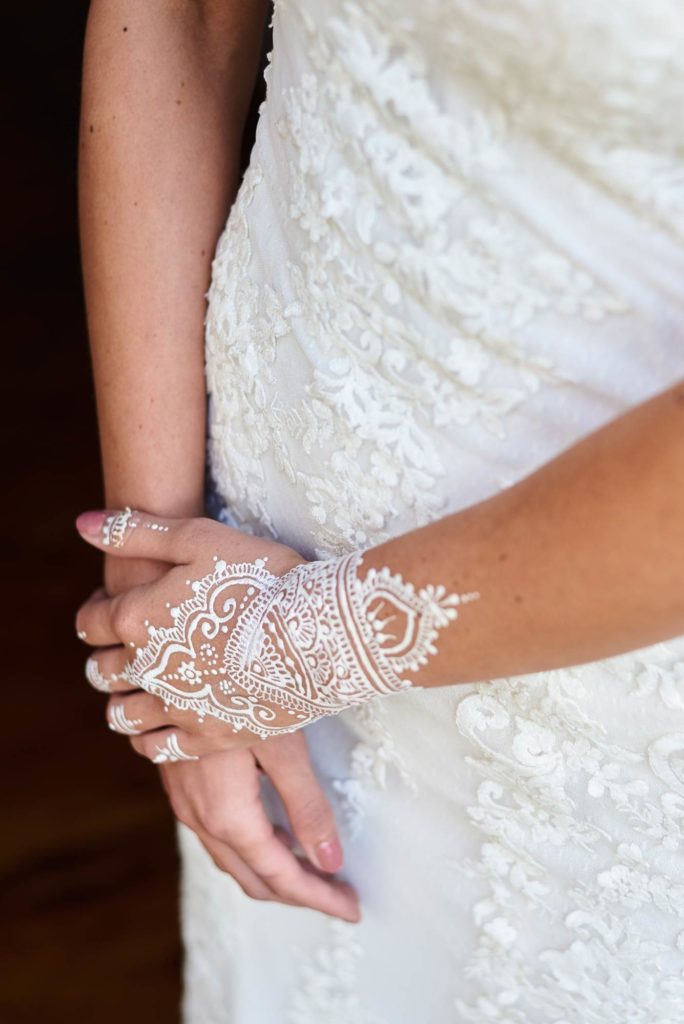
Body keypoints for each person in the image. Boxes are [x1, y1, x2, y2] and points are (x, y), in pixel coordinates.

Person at [76, 0, 684, 1020]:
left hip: (602, 670)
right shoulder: (209, 628)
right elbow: (173, 20)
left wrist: (293, 647)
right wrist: (159, 578)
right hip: (234, 562)